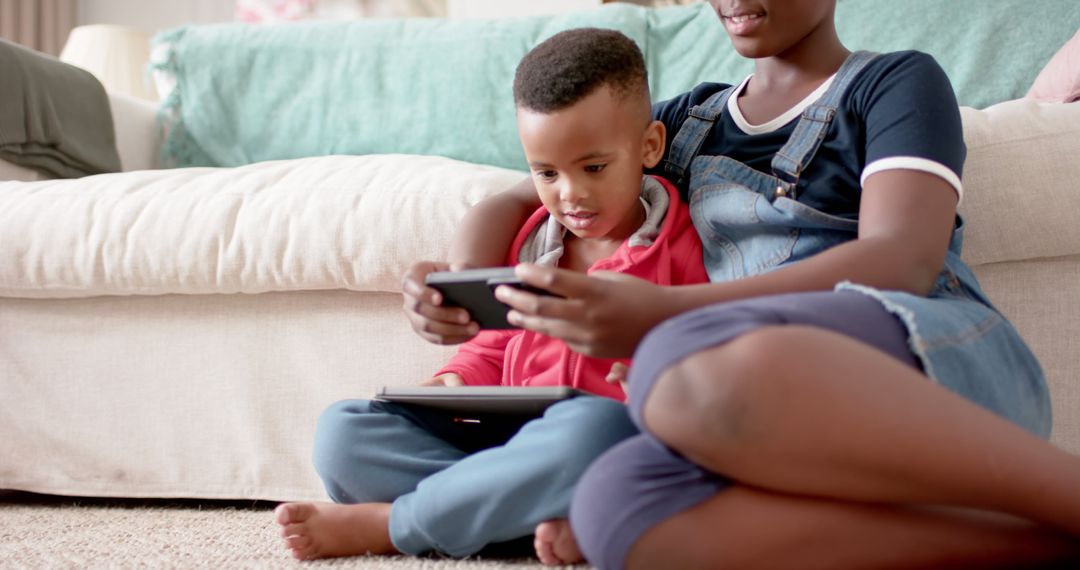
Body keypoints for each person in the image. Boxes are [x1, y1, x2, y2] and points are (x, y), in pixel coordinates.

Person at [402, 1, 1080, 567]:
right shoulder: (690, 120)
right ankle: (1032, 544)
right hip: (773, 403)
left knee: (675, 361)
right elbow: (515, 199)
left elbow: (901, 259)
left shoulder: (894, 84)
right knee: (611, 506)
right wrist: (462, 289)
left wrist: (662, 312)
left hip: (937, 361)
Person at [274, 28, 709, 562]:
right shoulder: (532, 240)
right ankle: (542, 515)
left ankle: (399, 525)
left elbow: (705, 348)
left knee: (590, 432)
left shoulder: (684, 244)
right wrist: (451, 381)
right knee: (343, 434)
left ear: (649, 146)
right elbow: (497, 344)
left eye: (593, 168)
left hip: (599, 440)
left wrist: (648, 374)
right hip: (509, 444)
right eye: (546, 173)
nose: (570, 194)